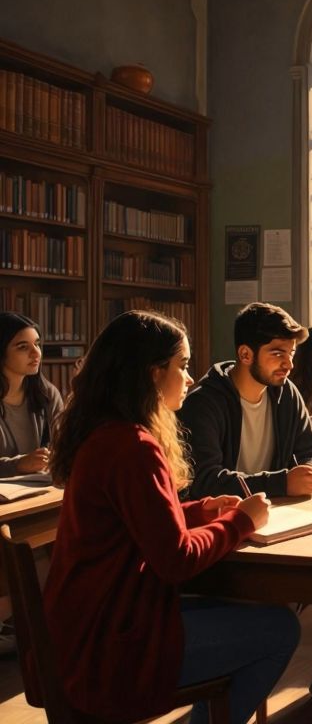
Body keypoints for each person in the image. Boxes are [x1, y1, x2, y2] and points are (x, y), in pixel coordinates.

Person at [43, 310, 298, 724]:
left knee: (244, 611)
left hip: (89, 623)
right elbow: (176, 559)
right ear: (153, 373)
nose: (190, 379)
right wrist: (241, 522)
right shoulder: (134, 447)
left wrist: (200, 510)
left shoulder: (106, 434)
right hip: (111, 643)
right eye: (183, 365)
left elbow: (136, 519)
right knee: (280, 629)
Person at [179, 302, 312, 498]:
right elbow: (205, 481)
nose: (289, 364)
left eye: (291, 353)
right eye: (278, 354)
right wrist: (282, 483)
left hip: (276, 509)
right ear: (245, 354)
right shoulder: (202, 404)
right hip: (227, 513)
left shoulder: (287, 393)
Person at [0, 312, 62, 477]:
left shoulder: (47, 394)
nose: (36, 353)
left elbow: (64, 448)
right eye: (23, 347)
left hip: (42, 488)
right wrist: (18, 465)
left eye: (37, 344)